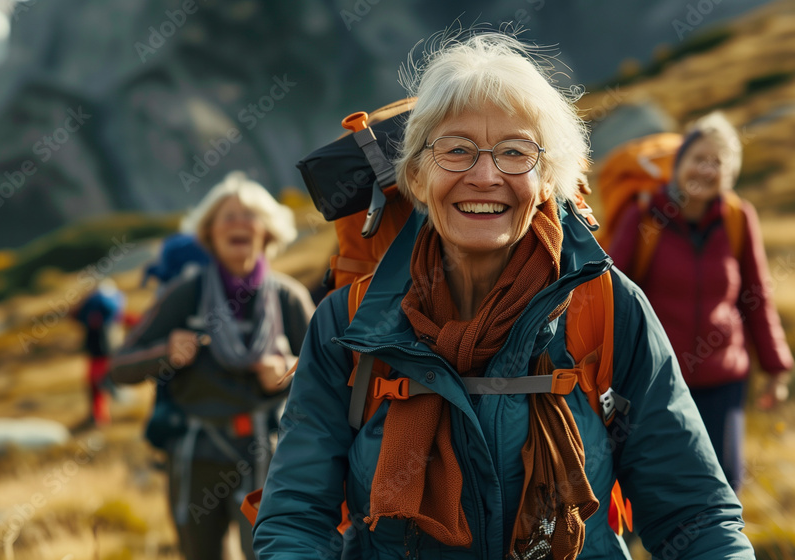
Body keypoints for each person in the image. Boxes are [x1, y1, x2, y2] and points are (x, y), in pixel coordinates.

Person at [252, 32, 755, 559]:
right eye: (456, 150)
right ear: (418, 176)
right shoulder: (349, 322)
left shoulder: (606, 306)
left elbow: (694, 514)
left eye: (515, 152)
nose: (485, 176)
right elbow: (296, 518)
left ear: (547, 182)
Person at [109, 171, 315, 560]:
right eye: (227, 216)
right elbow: (119, 369)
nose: (238, 223)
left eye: (248, 215)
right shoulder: (184, 295)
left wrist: (289, 368)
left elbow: (330, 376)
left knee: (267, 554)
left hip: (266, 454)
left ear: (267, 231)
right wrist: (164, 355)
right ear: (209, 234)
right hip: (195, 454)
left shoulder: (288, 296)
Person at [609, 112, 793, 492]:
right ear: (679, 165)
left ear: (730, 174)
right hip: (654, 379)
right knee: (652, 487)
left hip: (722, 381)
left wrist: (776, 369)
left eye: (717, 162)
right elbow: (611, 293)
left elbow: (756, 298)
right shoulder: (645, 216)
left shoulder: (739, 218)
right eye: (698, 158)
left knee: (721, 487)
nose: (706, 170)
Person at [74, 278, 126, 427]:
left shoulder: (92, 306)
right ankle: (102, 417)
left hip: (99, 353)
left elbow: (75, 316)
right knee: (105, 385)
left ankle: (100, 418)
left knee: (97, 386)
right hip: (109, 350)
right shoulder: (115, 304)